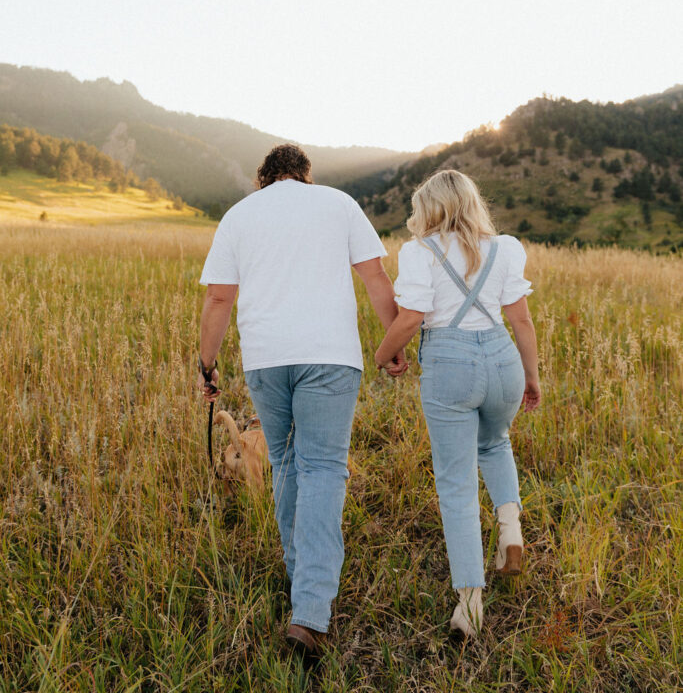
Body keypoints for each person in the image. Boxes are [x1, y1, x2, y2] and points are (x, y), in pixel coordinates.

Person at [197, 144, 403, 660]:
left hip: (267, 360)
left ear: (262, 177)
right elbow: (375, 277)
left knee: (287, 460)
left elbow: (219, 298)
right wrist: (394, 343)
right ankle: (311, 612)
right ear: (306, 176)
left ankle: (302, 580)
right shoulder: (339, 203)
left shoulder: (240, 214)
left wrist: (207, 363)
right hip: (330, 357)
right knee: (324, 467)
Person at [374, 169, 541, 638]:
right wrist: (530, 375)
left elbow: (411, 319)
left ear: (429, 208)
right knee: (495, 442)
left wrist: (383, 354)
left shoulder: (419, 252)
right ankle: (510, 528)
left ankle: (469, 603)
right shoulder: (505, 247)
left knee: (455, 483)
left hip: (450, 365)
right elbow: (522, 321)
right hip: (503, 359)